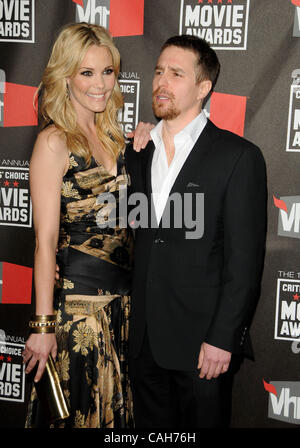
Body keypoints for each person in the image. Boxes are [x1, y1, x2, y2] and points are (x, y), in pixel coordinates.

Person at [125, 35, 267, 428]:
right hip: (144, 343)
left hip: (203, 345)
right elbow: (128, 232)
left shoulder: (238, 157)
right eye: (157, 71)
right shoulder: (137, 151)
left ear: (203, 88)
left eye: (175, 74)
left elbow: (244, 264)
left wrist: (224, 337)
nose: (160, 82)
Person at [22, 22, 151, 428]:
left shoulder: (115, 139)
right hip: (79, 314)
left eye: (108, 71)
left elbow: (133, 219)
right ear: (66, 76)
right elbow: (44, 242)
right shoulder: (53, 142)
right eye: (87, 73)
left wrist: (144, 150)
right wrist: (43, 327)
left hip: (123, 308)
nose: (101, 84)